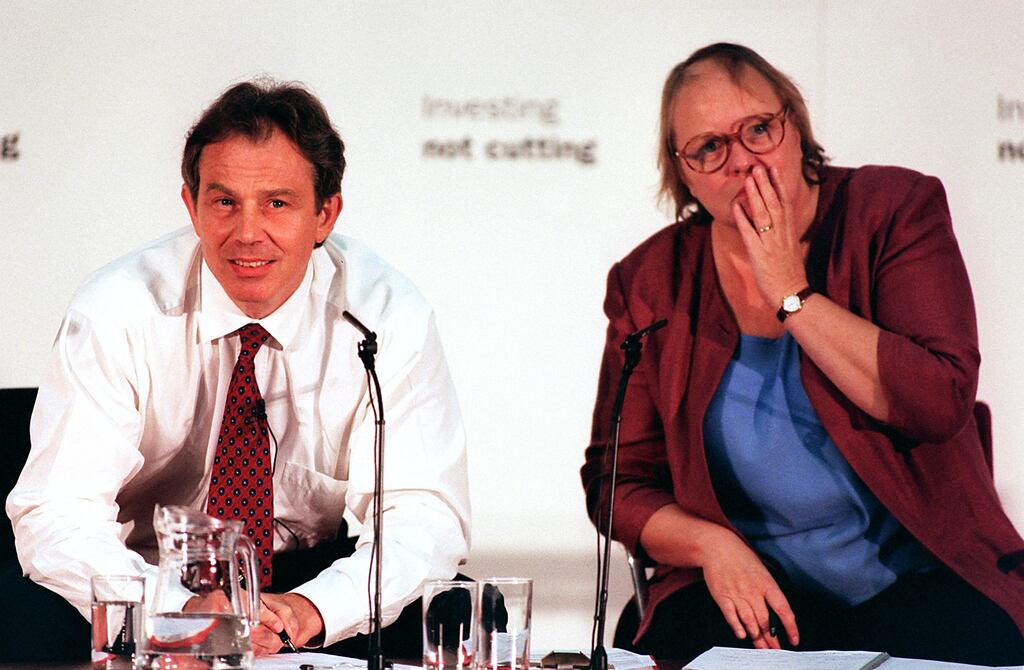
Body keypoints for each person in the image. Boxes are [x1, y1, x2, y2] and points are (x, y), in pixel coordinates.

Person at [580, 43, 1024, 665]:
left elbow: (938, 401)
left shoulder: (893, 212)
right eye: (709, 148)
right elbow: (615, 480)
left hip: (920, 578)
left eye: (758, 130)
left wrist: (792, 292)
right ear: (683, 173)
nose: (741, 162)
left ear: (795, 126)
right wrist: (712, 547)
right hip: (752, 591)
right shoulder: (651, 280)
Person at [3, 80, 471, 662]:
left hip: (302, 581)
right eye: (224, 202)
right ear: (191, 205)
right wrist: (173, 608)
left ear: (326, 214)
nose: (247, 233)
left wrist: (316, 609)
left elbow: (423, 513)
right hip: (142, 573)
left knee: (454, 610)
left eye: (277, 203)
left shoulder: (383, 317)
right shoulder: (117, 309)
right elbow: (58, 511)